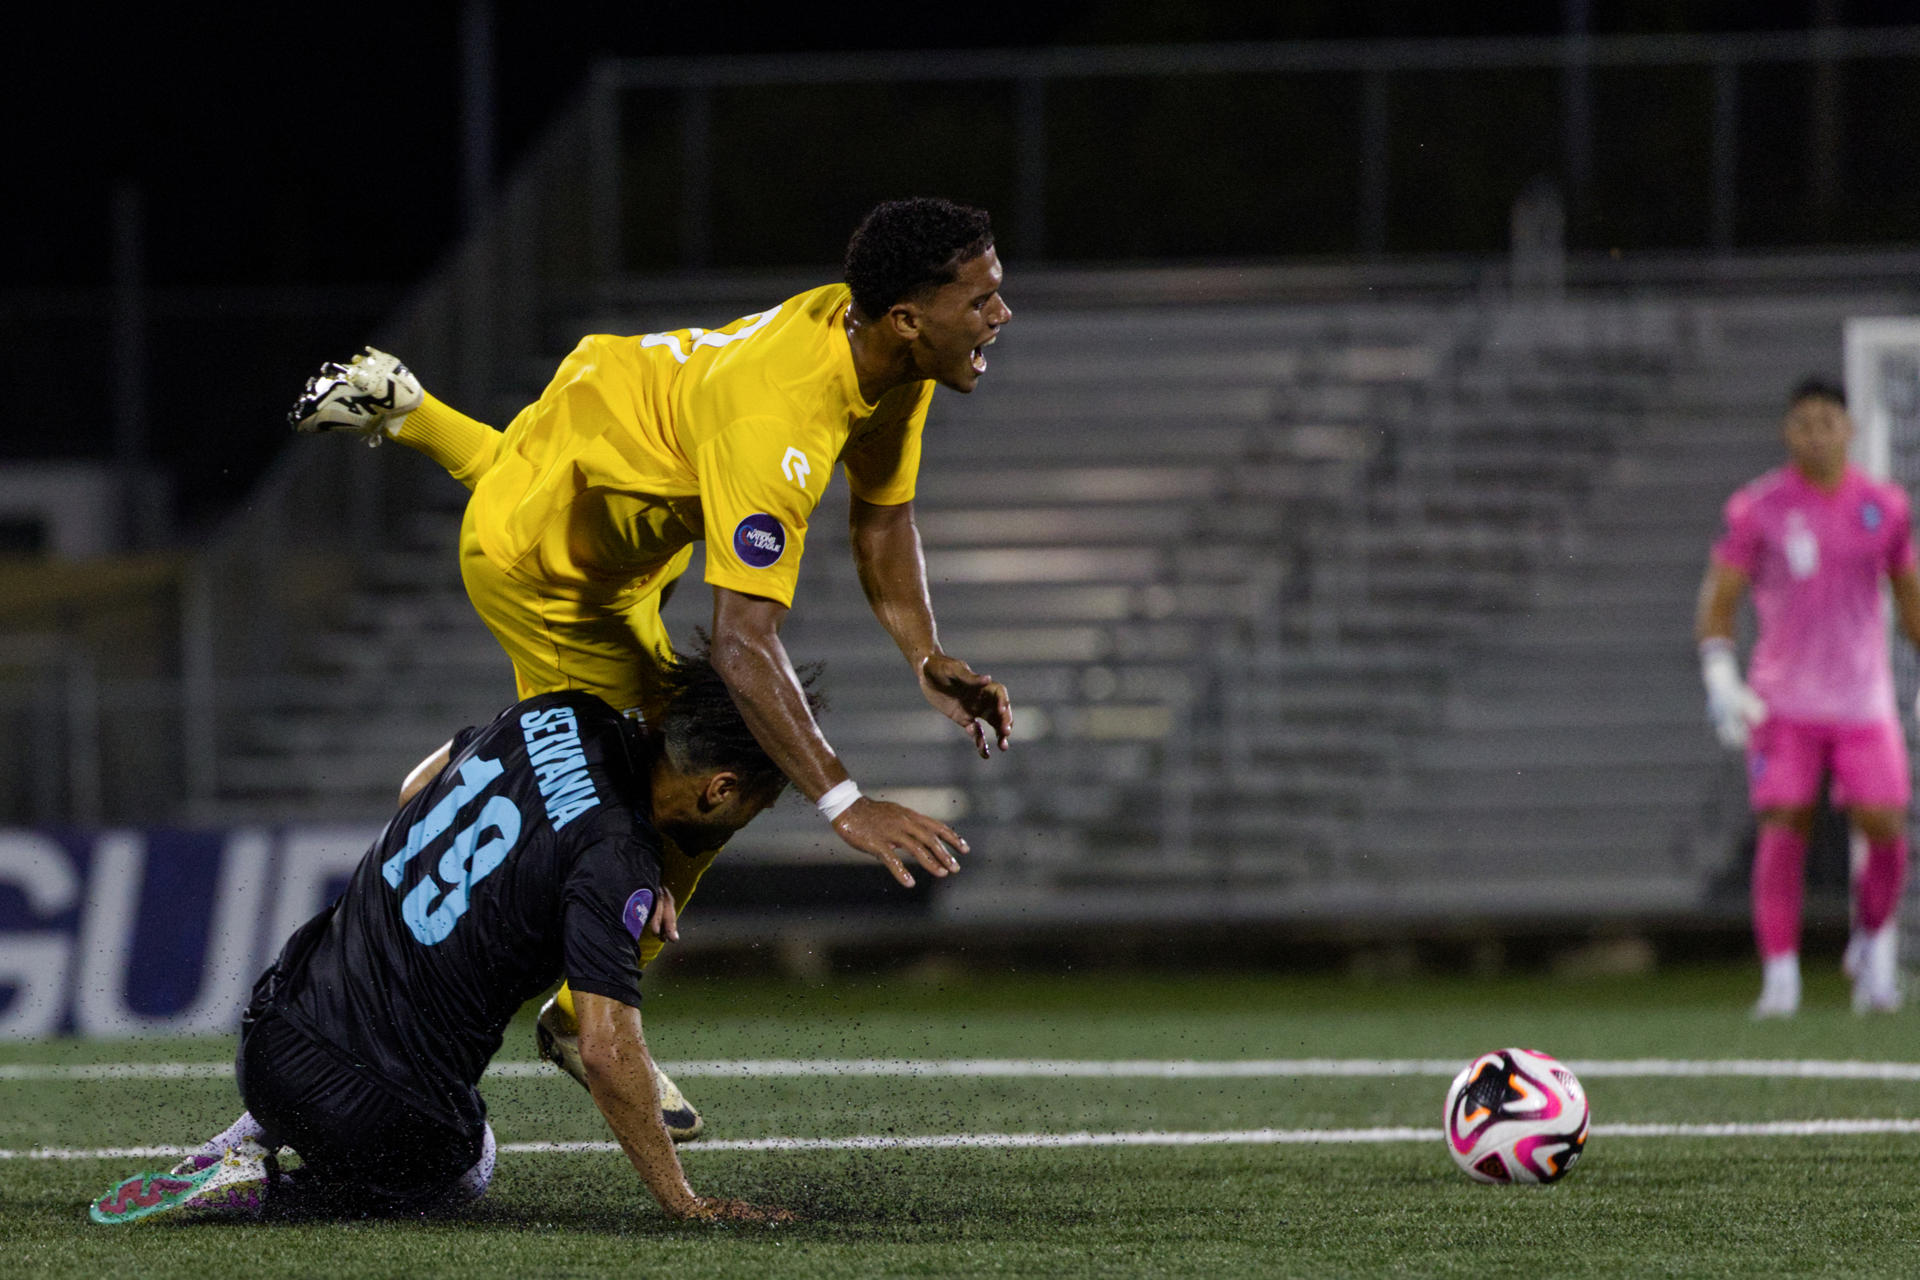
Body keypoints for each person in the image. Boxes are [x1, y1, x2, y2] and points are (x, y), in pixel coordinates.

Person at [289, 196, 1016, 1131]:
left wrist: (925, 652)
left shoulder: (878, 340)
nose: (1000, 314)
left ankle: (416, 411)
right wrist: (844, 800)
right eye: (983, 300)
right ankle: (516, 899)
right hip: (551, 576)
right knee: (695, 784)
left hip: (602, 455)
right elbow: (746, 645)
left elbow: (882, 515)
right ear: (910, 319)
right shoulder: (782, 418)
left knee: (555, 502)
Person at [89, 647, 805, 1225]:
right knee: (467, 1169)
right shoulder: (616, 859)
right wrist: (685, 1203)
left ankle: (244, 1139)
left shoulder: (558, 714)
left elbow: (416, 788)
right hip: (374, 1110)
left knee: (353, 1026)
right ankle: (268, 1194)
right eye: (755, 808)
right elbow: (606, 1050)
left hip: (272, 1035)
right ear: (720, 789)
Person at [1694, 376, 1920, 1017]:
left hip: (1862, 701)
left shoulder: (1885, 506)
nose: (1815, 434)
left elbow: (1910, 599)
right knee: (1783, 825)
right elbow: (1719, 600)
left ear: (1848, 429)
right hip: (1784, 701)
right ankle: (1781, 978)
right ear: (1786, 433)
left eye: (1827, 422)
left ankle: (1873, 944)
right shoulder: (1757, 508)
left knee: (1885, 827)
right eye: (1803, 423)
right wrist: (1720, 677)